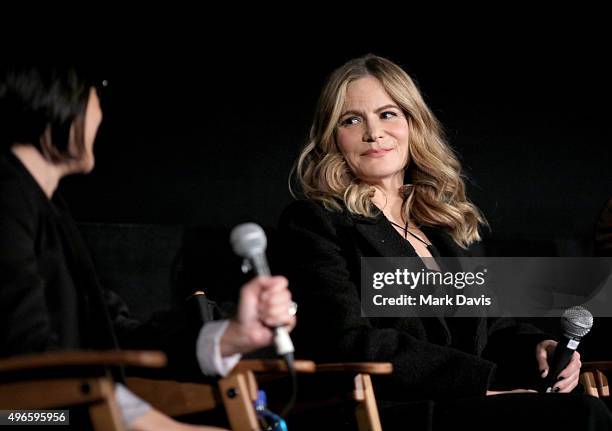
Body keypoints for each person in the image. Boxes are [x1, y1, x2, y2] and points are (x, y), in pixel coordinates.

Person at [278, 54, 612, 430]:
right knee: (581, 416)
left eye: (388, 114)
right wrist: (480, 388)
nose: (374, 133)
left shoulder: (436, 226)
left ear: (412, 124)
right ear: (332, 137)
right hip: (392, 409)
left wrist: (538, 348)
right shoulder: (314, 222)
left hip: (463, 403)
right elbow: (346, 340)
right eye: (351, 120)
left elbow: (490, 328)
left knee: (585, 407)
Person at [0, 65, 296, 431]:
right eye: (97, 90)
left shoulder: (49, 207)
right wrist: (157, 425)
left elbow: (115, 336)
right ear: (59, 93)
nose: (99, 111)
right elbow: (27, 374)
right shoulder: (6, 195)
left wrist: (231, 335)